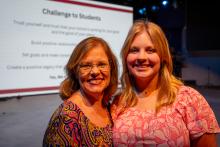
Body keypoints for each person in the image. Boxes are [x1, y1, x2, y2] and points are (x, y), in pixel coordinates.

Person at [111, 19, 220, 146]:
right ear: (126, 56)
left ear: (162, 56)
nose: (141, 57)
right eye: (134, 50)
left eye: (150, 50)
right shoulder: (118, 103)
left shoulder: (188, 99)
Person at [43, 37, 118, 146]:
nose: (95, 72)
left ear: (111, 68)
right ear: (75, 71)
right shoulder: (66, 118)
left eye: (102, 64)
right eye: (86, 65)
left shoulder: (110, 108)